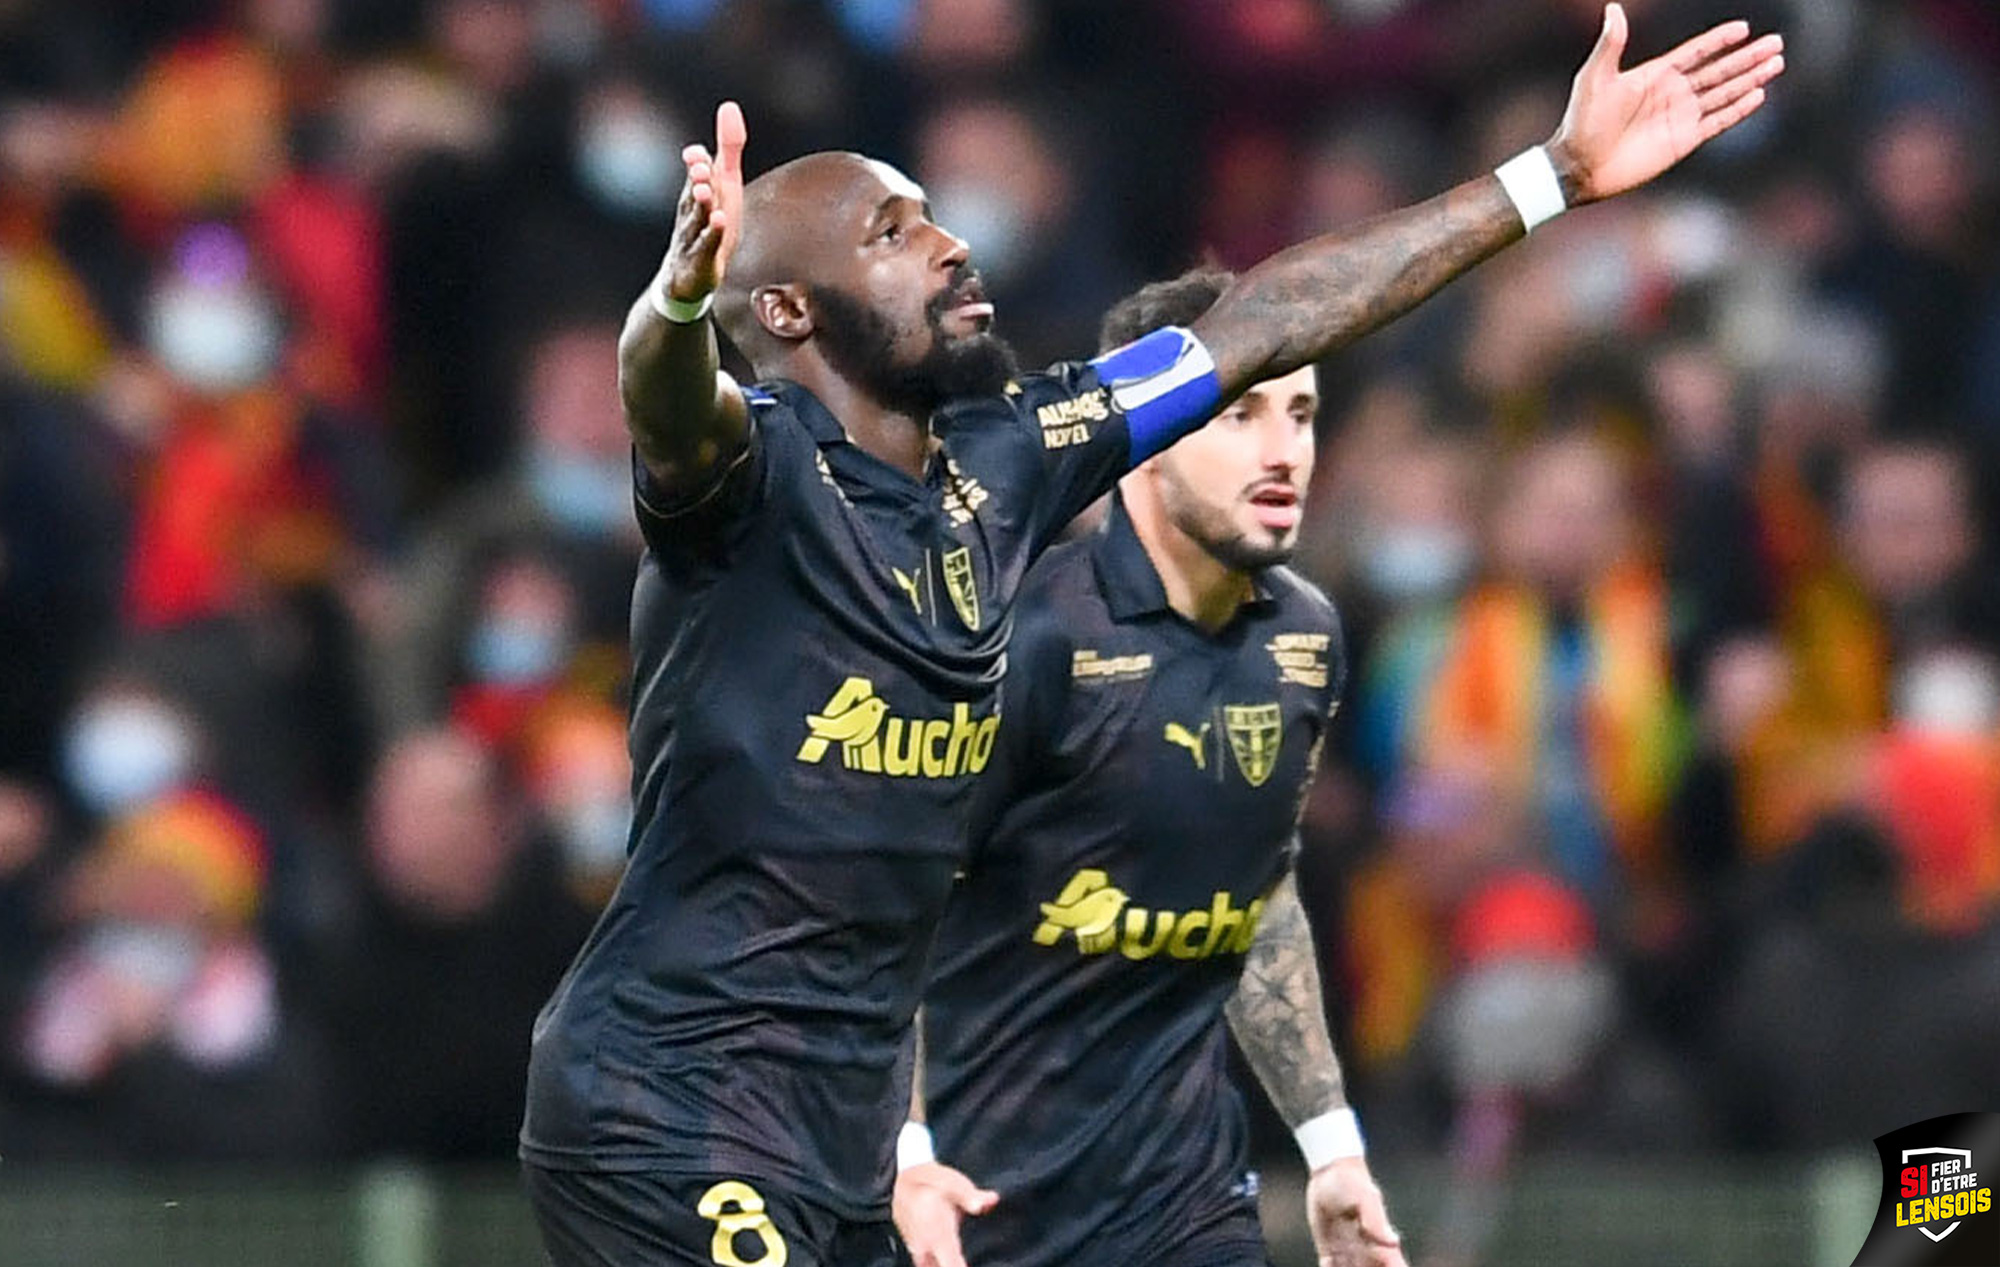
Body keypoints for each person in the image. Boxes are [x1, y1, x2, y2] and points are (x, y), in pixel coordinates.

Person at [520, 8, 1784, 1264]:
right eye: (893, 233)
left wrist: (1551, 176)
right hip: (665, 1108)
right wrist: (675, 304)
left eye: (934, 215)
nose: (950, 245)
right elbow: (668, 406)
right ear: (788, 311)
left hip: (831, 1139)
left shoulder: (1009, 460)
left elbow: (1264, 320)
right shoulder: (748, 487)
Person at [892, 267, 1397, 1267]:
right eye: (1238, 413)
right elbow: (885, 905)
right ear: (1144, 435)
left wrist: (1331, 1148)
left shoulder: (1304, 639)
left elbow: (1257, 895)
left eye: (1299, 415)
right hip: (974, 1211)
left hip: (1185, 1207)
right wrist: (901, 1157)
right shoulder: (1024, 641)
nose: (1283, 451)